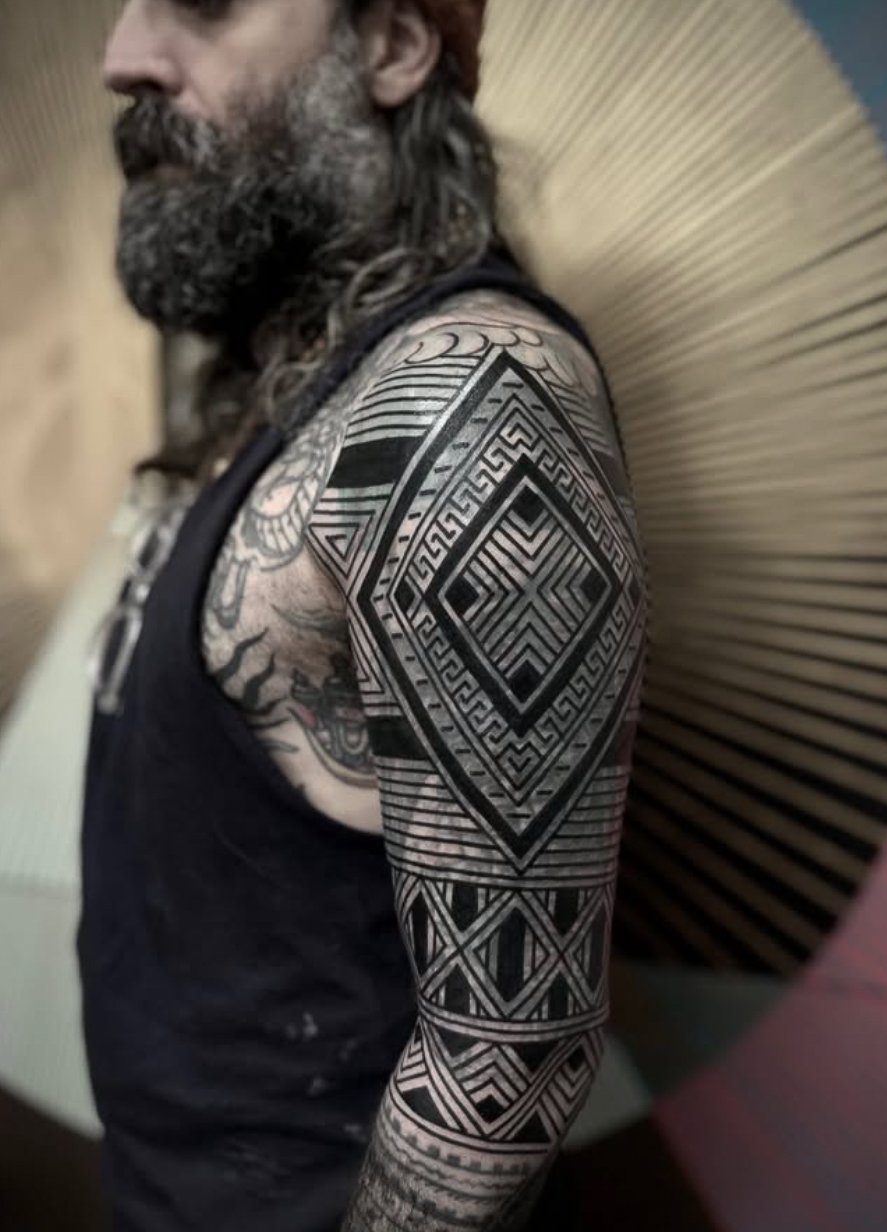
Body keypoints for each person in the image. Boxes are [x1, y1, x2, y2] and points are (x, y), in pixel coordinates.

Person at [78, 1, 648, 1229]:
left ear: (390, 45)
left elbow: (506, 1063)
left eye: (201, 2)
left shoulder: (468, 405)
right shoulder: (281, 389)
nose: (121, 57)